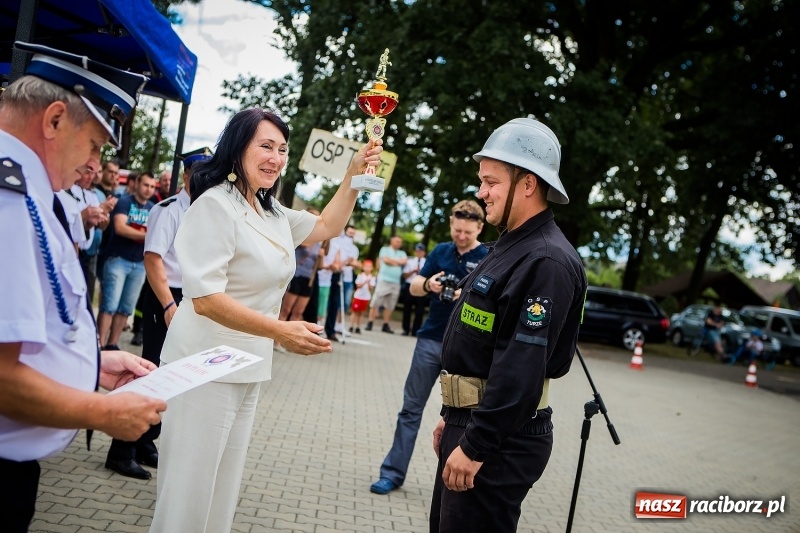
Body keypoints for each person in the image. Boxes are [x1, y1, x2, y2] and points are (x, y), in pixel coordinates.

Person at [149, 108, 382, 533]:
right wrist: (281, 331)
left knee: (221, 492)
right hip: (203, 365)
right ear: (238, 148)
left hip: (247, 366)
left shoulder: (271, 213)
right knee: (187, 494)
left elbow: (329, 224)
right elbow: (204, 299)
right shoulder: (214, 206)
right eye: (266, 146)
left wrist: (352, 173)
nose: (276, 158)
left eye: (283, 150)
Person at [0, 41, 166, 533]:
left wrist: (92, 366)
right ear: (53, 121)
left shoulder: (27, 191)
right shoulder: (10, 201)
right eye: (94, 144)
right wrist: (102, 412)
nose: (94, 164)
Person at [429, 118, 587, 532]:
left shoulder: (545, 261)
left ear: (529, 183)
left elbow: (520, 369)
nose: (481, 193)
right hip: (474, 421)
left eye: (491, 182)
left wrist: (477, 442)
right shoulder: (511, 246)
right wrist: (455, 414)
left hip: (500, 440)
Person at [371, 200, 488, 495]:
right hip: (430, 339)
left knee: (461, 418)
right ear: (451, 223)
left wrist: (465, 295)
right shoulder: (440, 251)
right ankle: (393, 473)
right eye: (456, 229)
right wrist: (429, 286)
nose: (460, 236)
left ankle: (453, 484)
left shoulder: (488, 256)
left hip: (465, 348)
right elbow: (413, 285)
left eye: (466, 232)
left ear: (479, 227)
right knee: (410, 409)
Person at [96, 172, 156, 353]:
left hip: (139, 263)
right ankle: (98, 344)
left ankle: (112, 344)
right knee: (109, 305)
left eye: (152, 187)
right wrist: (147, 235)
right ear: (137, 183)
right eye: (146, 185)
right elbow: (120, 228)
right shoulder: (124, 202)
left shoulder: (153, 208)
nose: (148, 190)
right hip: (118, 260)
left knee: (126, 308)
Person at [276, 208, 323, 352]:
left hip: (308, 279)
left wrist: (321, 255)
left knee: (298, 312)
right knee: (286, 310)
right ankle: (277, 341)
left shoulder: (319, 242)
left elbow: (320, 266)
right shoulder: (302, 236)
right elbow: (303, 246)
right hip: (296, 276)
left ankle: (291, 342)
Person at [324, 224, 360, 341]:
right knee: (327, 302)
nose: (350, 235)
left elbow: (355, 263)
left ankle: (331, 329)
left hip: (341, 275)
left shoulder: (353, 248)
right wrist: (344, 263)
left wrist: (346, 263)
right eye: (349, 233)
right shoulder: (336, 240)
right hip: (330, 273)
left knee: (337, 303)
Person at [366, 235, 407, 333]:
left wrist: (393, 261)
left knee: (390, 304)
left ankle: (385, 324)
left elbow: (404, 261)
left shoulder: (402, 252)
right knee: (376, 301)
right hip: (384, 280)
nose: (399, 243)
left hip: (396, 282)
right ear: (392, 241)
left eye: (400, 242)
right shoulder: (384, 249)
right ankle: (370, 322)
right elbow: (386, 260)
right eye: (397, 241)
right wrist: (397, 262)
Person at [401, 243, 428, 336]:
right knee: (407, 308)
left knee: (419, 310)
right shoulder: (410, 261)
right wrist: (413, 271)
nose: (419, 253)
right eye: (417, 251)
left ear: (424, 252)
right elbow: (404, 275)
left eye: (421, 251)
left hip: (421, 286)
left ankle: (415, 330)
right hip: (410, 284)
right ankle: (405, 329)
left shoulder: (427, 262)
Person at [349, 259, 377, 334]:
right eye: (366, 267)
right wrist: (365, 282)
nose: (368, 269)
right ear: (363, 267)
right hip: (358, 296)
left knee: (361, 313)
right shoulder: (360, 275)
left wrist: (369, 283)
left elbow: (371, 288)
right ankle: (351, 326)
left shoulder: (372, 277)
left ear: (372, 268)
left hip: (366, 297)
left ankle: (358, 327)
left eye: (369, 267)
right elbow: (358, 286)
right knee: (354, 312)